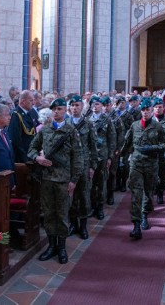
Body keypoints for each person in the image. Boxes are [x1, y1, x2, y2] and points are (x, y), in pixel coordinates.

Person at [28, 98, 83, 264]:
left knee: (62, 214)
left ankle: (62, 247)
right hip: (47, 179)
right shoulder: (45, 130)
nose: (56, 112)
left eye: (60, 109)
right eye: (54, 109)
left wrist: (73, 180)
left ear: (64, 110)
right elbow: (31, 149)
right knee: (49, 213)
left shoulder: (71, 131)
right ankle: (51, 246)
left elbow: (78, 158)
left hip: (63, 180)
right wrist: (38, 158)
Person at [121, 97, 165, 239]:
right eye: (143, 109)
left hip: (151, 164)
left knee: (148, 192)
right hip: (136, 163)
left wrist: (153, 147)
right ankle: (136, 224)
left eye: (147, 110)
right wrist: (122, 158)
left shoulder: (158, 126)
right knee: (136, 193)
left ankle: (144, 215)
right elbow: (127, 143)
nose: (145, 112)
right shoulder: (135, 125)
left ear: (151, 111)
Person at [66, 95, 98, 239]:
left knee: (84, 194)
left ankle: (83, 226)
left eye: (77, 105)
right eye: (72, 105)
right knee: (71, 195)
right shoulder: (65, 123)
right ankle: (73, 224)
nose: (74, 108)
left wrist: (92, 165)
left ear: (82, 107)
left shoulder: (88, 124)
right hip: (69, 165)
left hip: (84, 164)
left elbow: (93, 146)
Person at [88, 96, 116, 219]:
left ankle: (99, 207)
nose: (95, 106)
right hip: (89, 157)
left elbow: (112, 139)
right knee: (89, 184)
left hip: (102, 155)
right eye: (93, 104)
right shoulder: (86, 120)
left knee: (100, 182)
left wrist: (110, 157)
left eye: (97, 104)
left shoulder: (107, 119)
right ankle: (90, 206)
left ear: (101, 106)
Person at [7, 90, 40, 167]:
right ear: (23, 101)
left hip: (32, 154)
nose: (33, 103)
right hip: (22, 157)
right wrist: (25, 158)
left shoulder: (32, 112)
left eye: (33, 100)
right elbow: (16, 140)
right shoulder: (15, 115)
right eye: (31, 100)